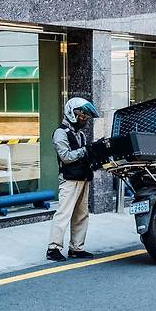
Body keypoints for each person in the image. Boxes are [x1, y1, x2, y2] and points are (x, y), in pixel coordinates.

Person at [46, 97, 101, 262]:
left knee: (81, 215)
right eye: (81, 115)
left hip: (83, 178)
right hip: (69, 180)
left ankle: (76, 248)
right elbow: (65, 156)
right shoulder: (60, 132)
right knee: (63, 214)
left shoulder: (81, 134)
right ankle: (53, 249)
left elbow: (84, 155)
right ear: (71, 113)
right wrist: (85, 150)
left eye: (86, 116)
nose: (84, 119)